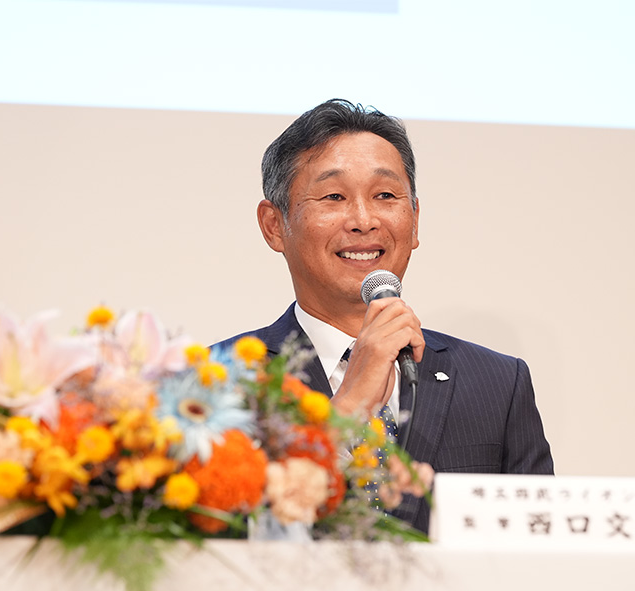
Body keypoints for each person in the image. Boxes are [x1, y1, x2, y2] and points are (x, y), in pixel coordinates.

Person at [214, 99, 553, 533]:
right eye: (334, 196)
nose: (363, 220)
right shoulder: (217, 384)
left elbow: (541, 548)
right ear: (274, 225)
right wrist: (349, 405)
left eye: (386, 196)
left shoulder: (498, 384)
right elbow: (216, 541)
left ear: (414, 222)